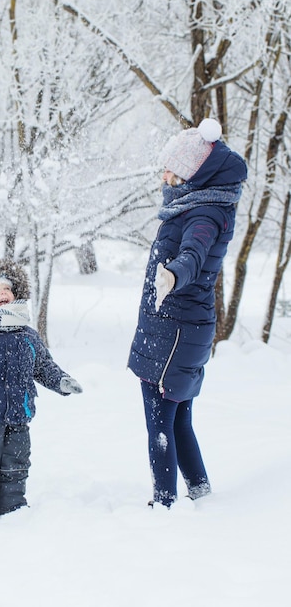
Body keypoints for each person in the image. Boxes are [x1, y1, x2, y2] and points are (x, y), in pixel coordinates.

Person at [128, 118, 247, 509]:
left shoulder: (204, 214)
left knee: (159, 421)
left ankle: (164, 504)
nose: (164, 176)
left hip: (175, 329)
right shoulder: (196, 205)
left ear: (193, 174)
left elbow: (193, 254)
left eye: (172, 169)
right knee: (178, 418)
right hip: (179, 326)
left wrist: (173, 274)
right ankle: (200, 492)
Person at [0, 258, 83, 519]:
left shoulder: (27, 334)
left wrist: (61, 381)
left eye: (6, 289)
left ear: (16, 293)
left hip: (20, 413)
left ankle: (12, 507)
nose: (2, 294)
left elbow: (43, 366)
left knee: (16, 463)